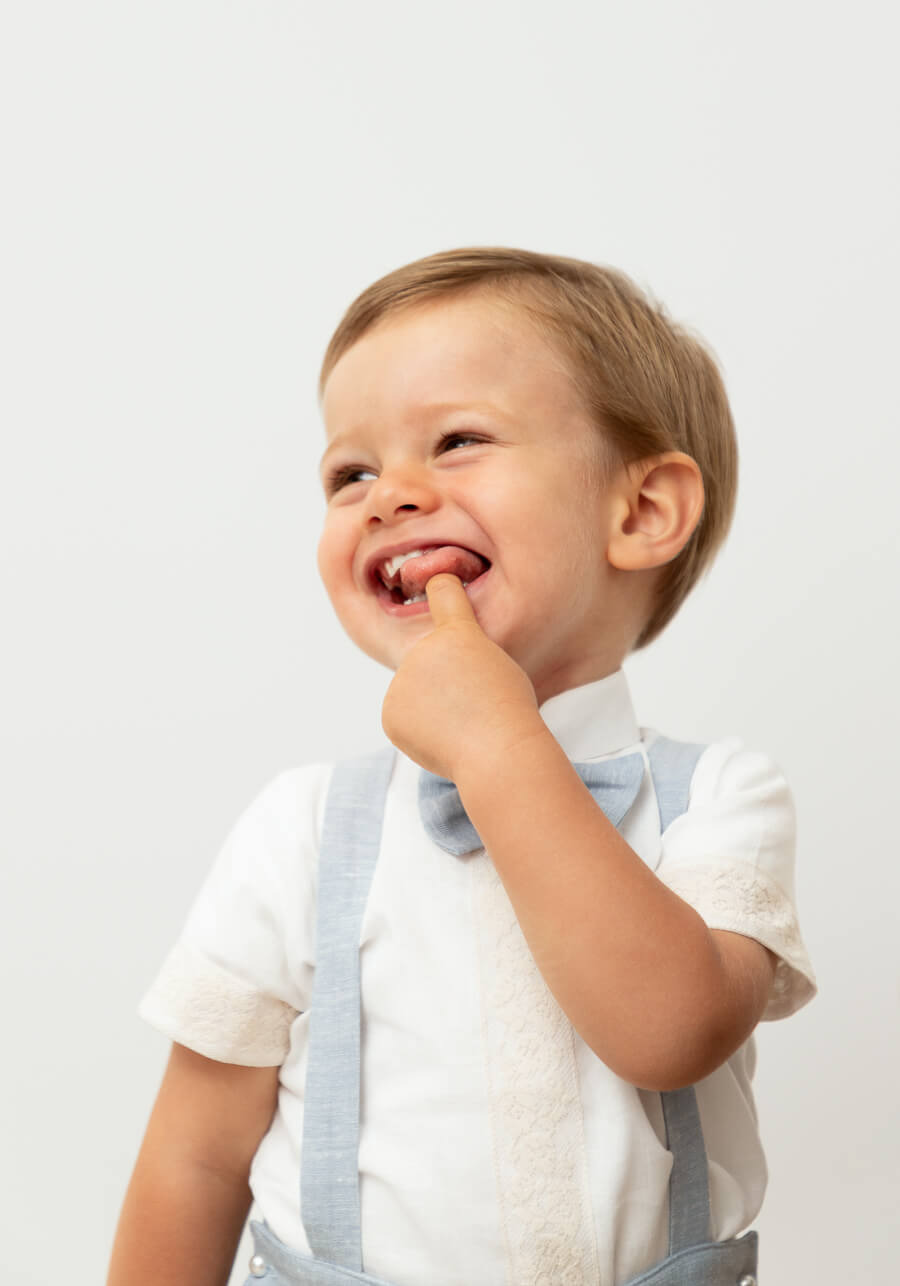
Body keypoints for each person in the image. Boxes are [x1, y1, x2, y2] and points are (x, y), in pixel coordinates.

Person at [107, 247, 816, 1286]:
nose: (389, 495)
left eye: (458, 440)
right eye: (350, 472)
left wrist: (497, 743)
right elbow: (195, 1155)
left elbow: (671, 1031)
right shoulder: (301, 826)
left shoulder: (720, 795)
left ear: (642, 511)